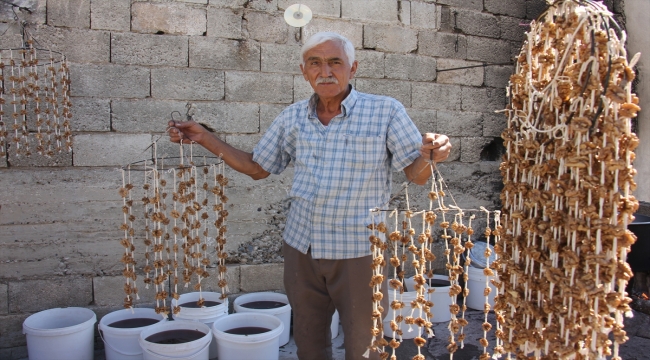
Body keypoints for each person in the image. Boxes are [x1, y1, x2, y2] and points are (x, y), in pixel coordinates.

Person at [168, 31, 451, 360]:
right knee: (309, 339)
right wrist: (204, 138)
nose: (325, 71)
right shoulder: (293, 117)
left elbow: (415, 176)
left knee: (365, 344)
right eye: (315, 63)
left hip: (359, 252)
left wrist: (432, 155)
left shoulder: (385, 112)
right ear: (304, 71)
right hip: (302, 247)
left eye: (335, 62)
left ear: (352, 68)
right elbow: (258, 167)